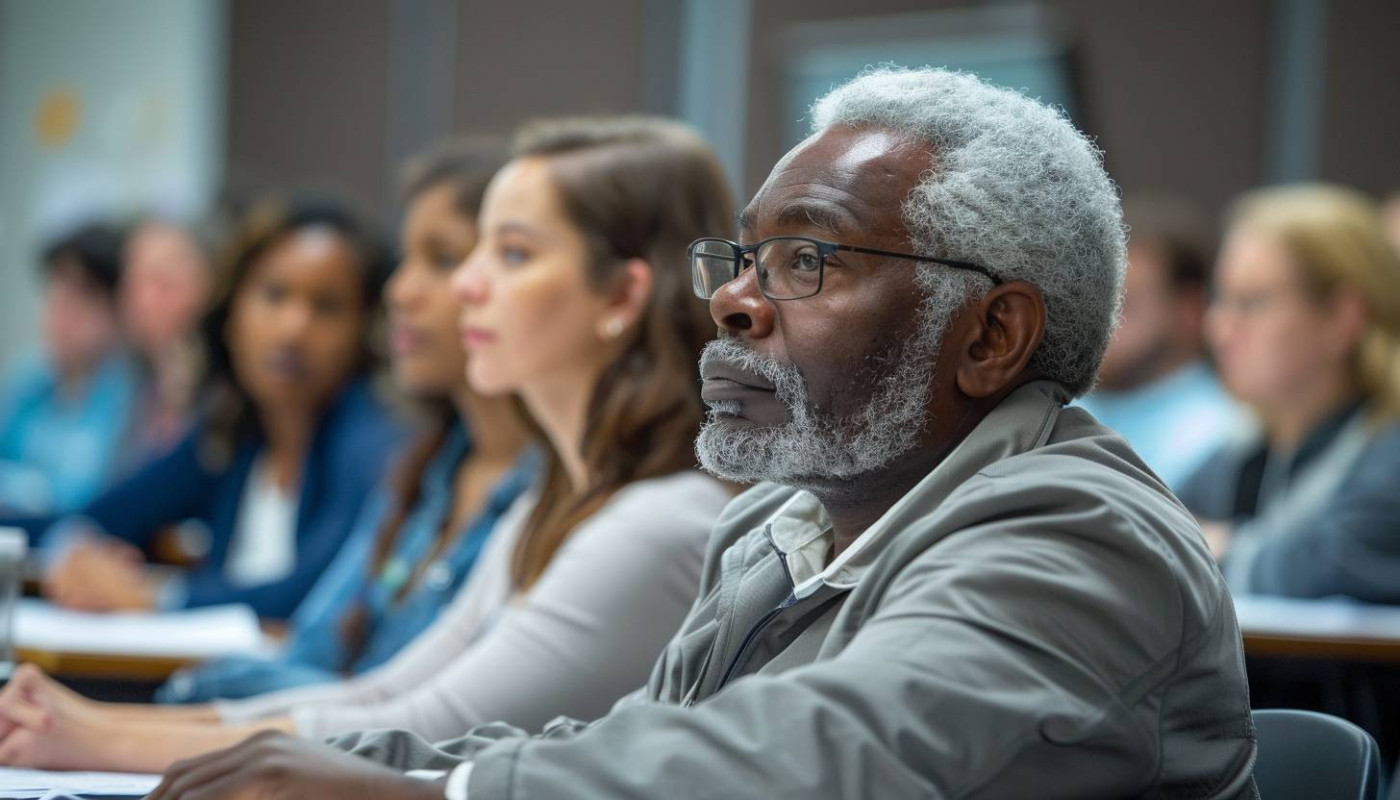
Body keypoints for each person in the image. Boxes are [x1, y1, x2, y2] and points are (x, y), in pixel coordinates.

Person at [82, 67, 1254, 799]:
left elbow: (812, 754)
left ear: (989, 335)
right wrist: (335, 772)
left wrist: (427, 794)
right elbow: (633, 742)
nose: (736, 299)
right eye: (743, 255)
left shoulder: (1074, 531)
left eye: (807, 260)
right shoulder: (777, 526)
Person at [0, 116, 735, 772]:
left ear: (620, 297)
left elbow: (425, 726)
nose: (463, 286)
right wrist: (91, 724)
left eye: (507, 254)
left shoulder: (656, 521)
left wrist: (101, 737)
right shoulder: (548, 501)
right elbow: (386, 688)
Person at [155, 141, 539, 703]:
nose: (400, 292)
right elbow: (317, 648)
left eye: (442, 259)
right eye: (273, 295)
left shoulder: (381, 442)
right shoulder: (428, 463)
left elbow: (420, 714)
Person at [0, 200, 404, 619]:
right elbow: (108, 514)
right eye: (274, 295)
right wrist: (80, 552)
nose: (293, 328)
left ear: (365, 329)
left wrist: (158, 599)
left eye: (327, 306)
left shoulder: (369, 440)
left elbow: (319, 590)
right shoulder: (231, 434)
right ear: (230, 315)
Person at [1178, 185, 1400, 601]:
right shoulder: (1246, 449)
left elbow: (1329, 567)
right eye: (1220, 300)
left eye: (1251, 302)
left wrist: (1213, 547)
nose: (1219, 328)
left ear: (1342, 317)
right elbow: (1140, 531)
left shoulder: (1390, 447)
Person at [1078, 197, 1240, 489]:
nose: (1097, 325)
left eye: (1125, 304)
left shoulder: (1222, 440)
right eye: (1094, 304)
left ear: (1189, 311)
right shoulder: (1061, 408)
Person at [0, 223, 138, 515]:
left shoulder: (130, 394)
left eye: (79, 300)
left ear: (117, 310)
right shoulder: (28, 380)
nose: (61, 314)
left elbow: (86, 497)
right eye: (54, 295)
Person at [117, 219, 214, 463]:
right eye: (133, 283)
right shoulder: (128, 380)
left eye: (162, 283)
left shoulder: (224, 397)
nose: (142, 300)